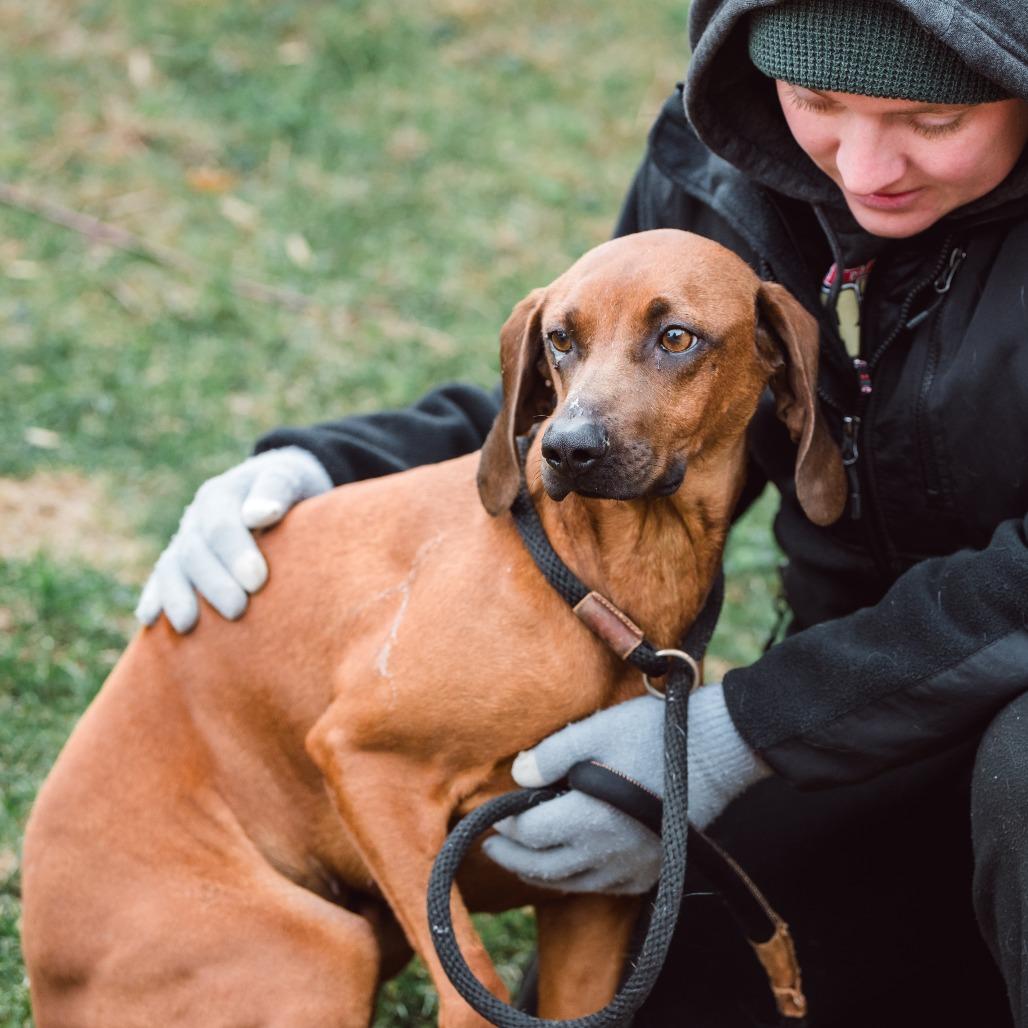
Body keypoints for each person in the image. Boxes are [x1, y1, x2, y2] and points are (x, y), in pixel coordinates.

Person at [135, 1, 1028, 1024]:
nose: (862, 167)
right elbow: (587, 394)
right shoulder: (730, 165)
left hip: (970, 708)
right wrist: (321, 461)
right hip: (863, 700)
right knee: (650, 996)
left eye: (928, 120)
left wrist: (741, 727)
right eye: (817, 101)